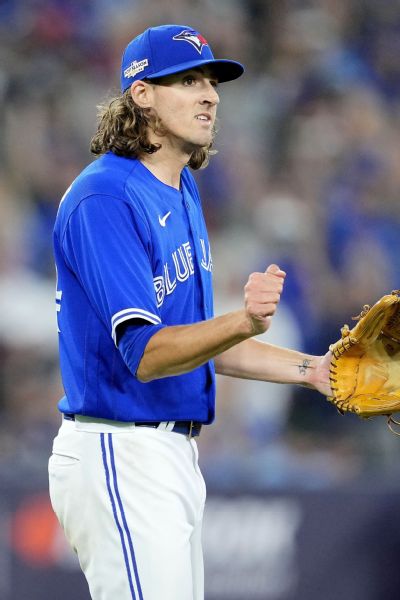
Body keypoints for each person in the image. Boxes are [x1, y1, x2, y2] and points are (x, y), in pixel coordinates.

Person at [48, 24, 332, 600]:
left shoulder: (180, 188)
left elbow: (195, 342)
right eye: (188, 80)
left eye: (212, 81)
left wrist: (312, 371)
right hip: (120, 450)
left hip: (168, 455)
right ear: (142, 93)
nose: (210, 94)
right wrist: (241, 320)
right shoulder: (106, 197)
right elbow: (148, 355)